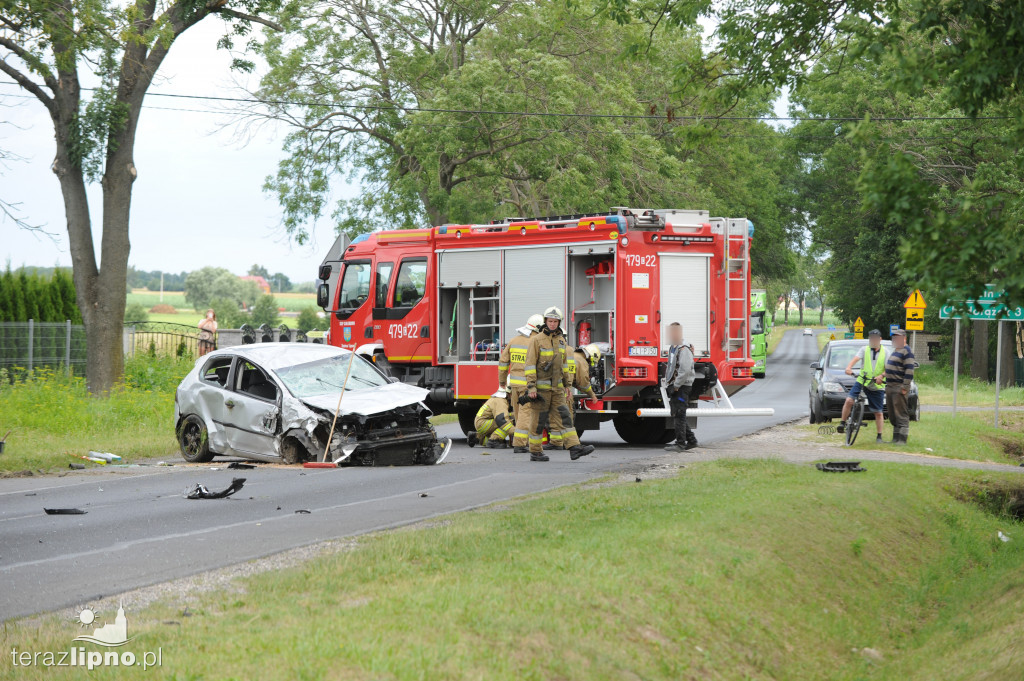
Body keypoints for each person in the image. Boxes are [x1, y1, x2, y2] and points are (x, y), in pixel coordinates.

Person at [523, 307, 594, 462]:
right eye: (550, 321)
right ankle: (535, 452)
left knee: (565, 417)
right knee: (538, 421)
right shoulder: (536, 340)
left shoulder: (561, 341)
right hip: (541, 391)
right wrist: (531, 387)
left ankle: (575, 448)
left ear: (559, 322)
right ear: (545, 321)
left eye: (555, 321)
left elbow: (564, 366)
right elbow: (529, 365)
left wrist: (568, 386)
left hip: (557, 389)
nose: (553, 324)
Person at [498, 314, 544, 453]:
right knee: (526, 414)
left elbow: (503, 363)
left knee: (518, 414)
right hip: (528, 385)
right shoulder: (536, 342)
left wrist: (502, 381)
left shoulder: (513, 341)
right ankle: (519, 443)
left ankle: (523, 441)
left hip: (514, 385)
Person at [838, 329, 887, 443]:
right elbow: (855, 359)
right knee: (849, 400)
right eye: (871, 338)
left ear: (880, 340)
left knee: (878, 412)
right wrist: (848, 368)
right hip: (862, 380)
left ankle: (879, 436)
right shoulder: (864, 349)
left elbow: (889, 369)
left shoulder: (886, 352)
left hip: (877, 384)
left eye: (875, 338)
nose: (872, 340)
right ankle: (842, 422)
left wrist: (882, 375)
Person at [663, 322, 698, 452]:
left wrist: (676, 385)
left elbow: (685, 369)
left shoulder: (684, 349)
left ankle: (681, 443)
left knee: (679, 414)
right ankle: (692, 440)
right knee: (678, 414)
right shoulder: (674, 347)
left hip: (682, 387)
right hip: (677, 385)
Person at [561, 343, 601, 445]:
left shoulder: (573, 356)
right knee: (569, 415)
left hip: (556, 388)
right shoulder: (582, 361)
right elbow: (583, 382)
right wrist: (592, 395)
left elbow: (574, 380)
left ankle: (558, 441)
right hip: (565, 391)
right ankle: (568, 442)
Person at [885, 328, 916, 444]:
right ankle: (895, 438)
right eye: (894, 337)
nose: (895, 339)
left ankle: (902, 440)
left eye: (897, 337)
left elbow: (909, 370)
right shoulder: (896, 350)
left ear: (904, 338)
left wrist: (905, 386)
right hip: (890, 386)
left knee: (901, 414)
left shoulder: (907, 351)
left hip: (899, 386)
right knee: (893, 414)